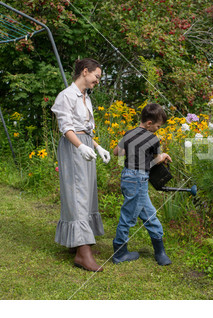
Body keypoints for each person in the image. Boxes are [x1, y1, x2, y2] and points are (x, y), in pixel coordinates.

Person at [51, 58, 111, 272]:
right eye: (97, 76)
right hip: (72, 146)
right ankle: (82, 253)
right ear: (85, 72)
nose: (98, 80)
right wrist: (80, 147)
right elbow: (66, 128)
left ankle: (78, 241)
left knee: (86, 193)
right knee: (77, 193)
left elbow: (85, 129)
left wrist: (96, 146)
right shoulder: (66, 96)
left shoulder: (86, 98)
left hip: (84, 144)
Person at [112, 103, 172, 266]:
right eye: (158, 126)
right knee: (128, 216)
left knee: (149, 214)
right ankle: (119, 252)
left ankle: (160, 251)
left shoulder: (129, 133)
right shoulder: (153, 138)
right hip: (138, 179)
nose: (158, 129)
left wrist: (131, 151)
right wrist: (164, 155)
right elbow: (156, 160)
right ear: (149, 123)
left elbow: (117, 152)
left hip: (127, 176)